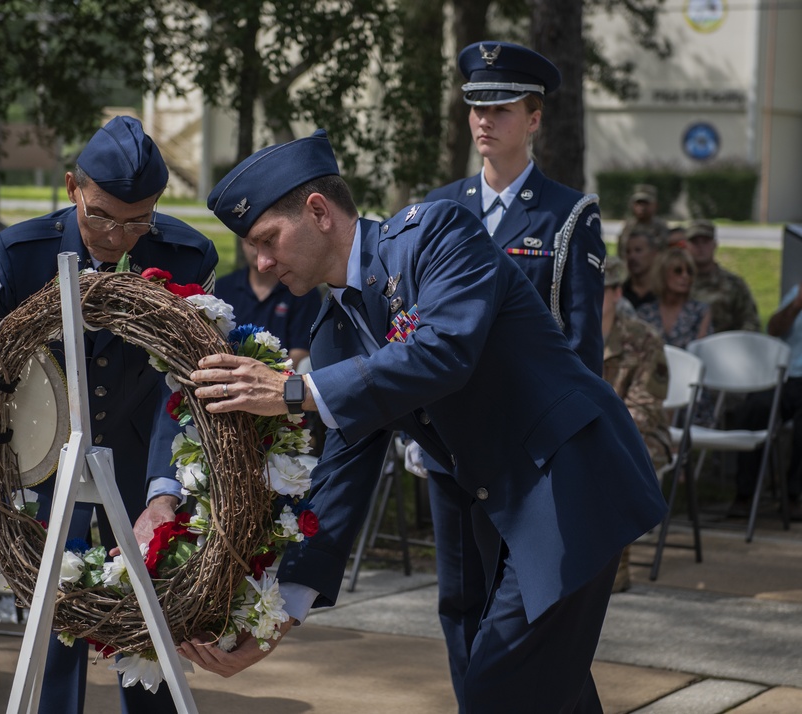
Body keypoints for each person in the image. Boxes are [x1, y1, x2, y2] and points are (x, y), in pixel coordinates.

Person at [178, 130, 666, 713]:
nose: (260, 262)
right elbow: (338, 483)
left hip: (570, 483)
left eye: (267, 239)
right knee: (549, 691)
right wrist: (274, 620)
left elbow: (442, 353)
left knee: (496, 690)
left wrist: (291, 391)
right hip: (509, 503)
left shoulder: (436, 233)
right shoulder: (331, 335)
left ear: (317, 212)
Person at [0, 116, 217, 714]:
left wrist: (165, 488)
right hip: (49, 458)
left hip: (137, 450)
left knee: (146, 617)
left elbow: (186, 381)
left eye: (137, 220)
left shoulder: (186, 254)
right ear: (73, 186)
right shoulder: (23, 253)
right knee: (56, 618)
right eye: (100, 215)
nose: (117, 236)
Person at [425, 41, 605, 374]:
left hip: (531, 403)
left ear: (533, 120)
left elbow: (584, 338)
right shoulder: (440, 206)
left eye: (501, 109)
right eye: (478, 108)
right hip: (446, 405)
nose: (484, 121)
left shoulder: (570, 214)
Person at [601, 256, 672, 592]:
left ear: (616, 293)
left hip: (637, 435)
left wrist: (596, 437)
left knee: (615, 460)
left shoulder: (643, 339)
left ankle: (614, 566)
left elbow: (645, 407)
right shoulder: (560, 334)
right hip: (579, 435)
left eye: (599, 290)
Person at [730, 284, 802, 521]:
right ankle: (745, 493)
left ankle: (793, 495)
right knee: (755, 406)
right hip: (786, 376)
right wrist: (796, 305)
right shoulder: (796, 293)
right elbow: (773, 329)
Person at [214, 236, 322, 368]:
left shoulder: (302, 290)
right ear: (242, 244)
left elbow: (301, 352)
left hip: (282, 379)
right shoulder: (223, 287)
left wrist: (268, 375)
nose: (257, 251)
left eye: (266, 243)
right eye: (251, 244)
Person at [685, 219, 760, 334]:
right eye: (695, 242)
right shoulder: (676, 281)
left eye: (705, 241)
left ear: (715, 244)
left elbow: (750, 322)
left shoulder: (733, 284)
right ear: (686, 246)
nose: (700, 247)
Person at [637, 247, 712, 349]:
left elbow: (702, 350)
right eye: (678, 271)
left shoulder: (700, 311)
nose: (685, 276)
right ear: (663, 274)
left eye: (689, 272)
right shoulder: (645, 313)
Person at [616, 184, 669, 257]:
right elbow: (621, 252)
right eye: (638, 203)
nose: (641, 207)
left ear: (655, 205)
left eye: (645, 203)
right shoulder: (628, 227)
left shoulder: (660, 227)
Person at [622, 227, 661, 310]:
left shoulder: (664, 293)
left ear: (654, 253)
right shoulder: (619, 294)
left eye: (638, 250)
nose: (632, 256)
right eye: (628, 251)